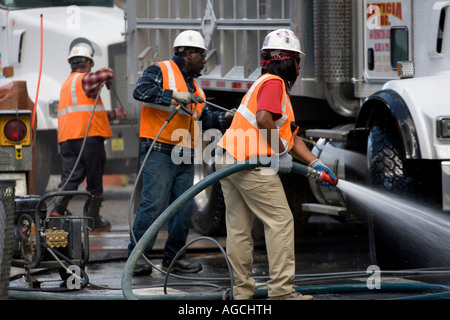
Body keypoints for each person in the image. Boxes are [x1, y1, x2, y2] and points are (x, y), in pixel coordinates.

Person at [215, 29, 336, 300]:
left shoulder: (265, 85)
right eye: (297, 61)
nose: (300, 67)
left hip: (227, 159)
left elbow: (291, 139)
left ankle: (242, 294)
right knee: (280, 221)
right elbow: (263, 119)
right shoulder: (274, 84)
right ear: (286, 61)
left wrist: (316, 163)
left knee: (238, 228)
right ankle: (282, 293)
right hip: (248, 164)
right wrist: (278, 151)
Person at [129, 30, 235, 275]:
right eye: (201, 54)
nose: (205, 60)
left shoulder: (196, 86)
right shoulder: (160, 70)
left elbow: (204, 117)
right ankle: (137, 257)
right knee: (154, 206)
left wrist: (226, 117)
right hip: (159, 148)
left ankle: (174, 258)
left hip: (185, 152)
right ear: (188, 53)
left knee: (182, 208)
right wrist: (173, 96)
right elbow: (140, 91)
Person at [51, 37, 126, 232]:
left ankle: (58, 210)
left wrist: (114, 114)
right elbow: (107, 72)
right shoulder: (83, 79)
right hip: (88, 138)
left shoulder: (67, 84)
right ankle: (92, 219)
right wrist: (107, 77)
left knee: (71, 177)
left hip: (68, 138)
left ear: (71, 62)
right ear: (89, 63)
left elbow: (86, 111)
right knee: (94, 178)